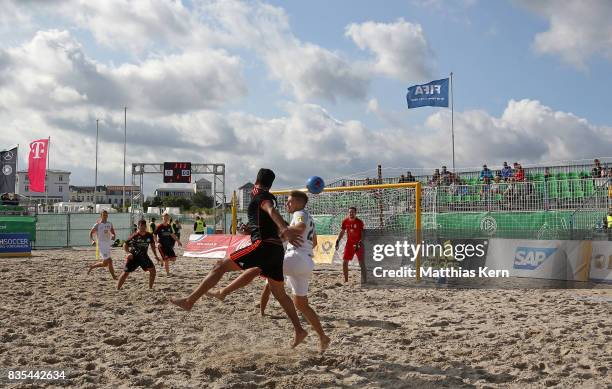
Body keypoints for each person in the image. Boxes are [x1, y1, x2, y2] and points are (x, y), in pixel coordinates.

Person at [170, 168, 308, 348]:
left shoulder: (261, 197)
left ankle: (190, 301)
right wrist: (255, 230)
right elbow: (268, 220)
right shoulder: (263, 197)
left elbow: (270, 209)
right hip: (275, 251)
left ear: (256, 182)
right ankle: (299, 330)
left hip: (263, 246)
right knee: (280, 294)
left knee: (220, 266)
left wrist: (284, 228)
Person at [207, 190, 331, 352]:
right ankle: (323, 336)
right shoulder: (308, 217)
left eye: (289, 201)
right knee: (301, 304)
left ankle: (223, 292)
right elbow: (313, 241)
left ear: (300, 203)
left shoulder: (300, 214)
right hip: (306, 261)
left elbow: (299, 228)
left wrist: (284, 237)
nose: (287, 203)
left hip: (296, 258)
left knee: (258, 267)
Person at [117, 219, 160, 290]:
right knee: (125, 273)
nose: (143, 227)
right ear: (138, 227)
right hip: (134, 257)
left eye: (144, 226)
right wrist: (128, 253)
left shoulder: (149, 235)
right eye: (141, 226)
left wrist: (156, 256)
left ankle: (150, 288)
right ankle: (118, 288)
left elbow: (152, 246)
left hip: (144, 257)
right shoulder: (135, 235)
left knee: (153, 271)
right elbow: (125, 244)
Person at [335, 207, 366, 283]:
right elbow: (342, 232)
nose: (351, 213)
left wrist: (360, 242)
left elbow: (363, 234)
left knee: (361, 262)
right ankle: (346, 280)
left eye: (352, 212)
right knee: (345, 262)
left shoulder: (359, 222)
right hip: (349, 244)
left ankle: (365, 280)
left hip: (358, 243)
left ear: (355, 213)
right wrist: (338, 240)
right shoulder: (345, 221)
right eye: (350, 212)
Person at [87, 210, 117, 279]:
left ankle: (92, 267)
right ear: (101, 216)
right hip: (101, 244)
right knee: (110, 260)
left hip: (107, 244)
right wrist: (92, 240)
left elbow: (113, 232)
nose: (105, 216)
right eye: (104, 215)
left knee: (105, 263)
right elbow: (91, 233)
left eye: (106, 215)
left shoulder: (109, 224)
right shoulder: (98, 224)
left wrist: (113, 236)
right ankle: (114, 276)